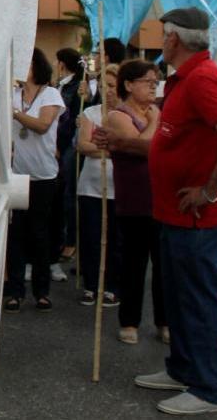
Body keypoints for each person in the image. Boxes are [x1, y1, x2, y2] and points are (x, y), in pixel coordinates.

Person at [128, 8, 217, 416]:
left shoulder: (202, 78)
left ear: (173, 40)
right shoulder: (186, 78)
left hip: (197, 218)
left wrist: (210, 190)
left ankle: (206, 388)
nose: (162, 41)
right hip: (176, 214)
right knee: (182, 299)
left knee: (199, 301)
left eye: (164, 35)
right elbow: (172, 142)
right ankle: (183, 369)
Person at [104, 60, 166, 345]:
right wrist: (154, 122)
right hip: (134, 199)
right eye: (146, 81)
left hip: (161, 198)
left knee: (165, 264)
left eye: (156, 81)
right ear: (129, 85)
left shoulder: (158, 111)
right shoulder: (119, 115)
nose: (153, 85)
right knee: (134, 263)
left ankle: (165, 321)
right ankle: (129, 321)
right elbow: (146, 147)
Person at [3, 48, 65, 312]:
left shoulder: (50, 94)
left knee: (39, 233)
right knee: (16, 233)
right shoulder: (14, 95)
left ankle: (42, 290)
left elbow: (42, 125)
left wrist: (16, 114)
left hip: (43, 175)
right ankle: (15, 290)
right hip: (18, 173)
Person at [75, 63, 120, 307]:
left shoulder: (126, 114)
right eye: (104, 85)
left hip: (119, 187)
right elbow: (83, 145)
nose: (108, 90)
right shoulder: (90, 113)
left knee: (115, 239)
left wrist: (102, 147)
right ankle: (91, 284)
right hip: (90, 185)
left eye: (112, 85)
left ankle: (112, 285)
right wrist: (114, 148)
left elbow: (128, 146)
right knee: (91, 237)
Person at [55, 48, 85, 272]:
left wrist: (59, 144)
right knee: (61, 193)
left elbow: (68, 118)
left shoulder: (76, 87)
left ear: (62, 63)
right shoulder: (62, 85)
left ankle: (71, 241)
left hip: (68, 144)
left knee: (68, 193)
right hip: (58, 142)